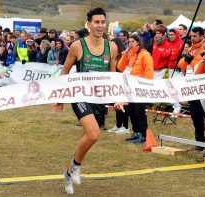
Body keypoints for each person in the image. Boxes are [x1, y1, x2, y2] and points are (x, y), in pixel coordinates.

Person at [53, 7, 120, 195]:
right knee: (93, 134)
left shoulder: (112, 47)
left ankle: (69, 170)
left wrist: (117, 98)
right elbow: (64, 72)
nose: (100, 25)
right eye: (96, 22)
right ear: (89, 24)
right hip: (80, 95)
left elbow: (113, 75)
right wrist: (60, 98)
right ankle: (75, 168)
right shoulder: (77, 46)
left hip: (98, 97)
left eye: (103, 22)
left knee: (90, 135)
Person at [117, 34, 154, 144]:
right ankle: (136, 132)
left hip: (140, 88)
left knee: (140, 112)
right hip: (130, 87)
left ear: (138, 42)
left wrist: (146, 86)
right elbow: (120, 67)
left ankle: (143, 135)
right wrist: (124, 55)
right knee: (131, 111)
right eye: (129, 42)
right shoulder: (130, 54)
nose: (130, 44)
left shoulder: (145, 54)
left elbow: (149, 71)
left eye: (133, 41)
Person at [108, 38, 130, 134]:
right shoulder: (114, 56)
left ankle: (125, 126)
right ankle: (118, 125)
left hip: (122, 83)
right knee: (115, 104)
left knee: (122, 104)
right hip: (115, 83)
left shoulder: (123, 55)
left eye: (112, 44)